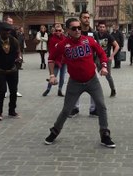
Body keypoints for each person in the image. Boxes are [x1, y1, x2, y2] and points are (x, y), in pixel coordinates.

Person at [44, 18, 116, 148]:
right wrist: (52, 75)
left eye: (79, 28)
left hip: (92, 80)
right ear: (67, 30)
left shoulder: (88, 40)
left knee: (101, 106)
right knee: (66, 110)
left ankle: (104, 134)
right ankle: (54, 131)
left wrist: (104, 66)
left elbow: (101, 53)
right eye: (74, 28)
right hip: (75, 82)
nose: (77, 30)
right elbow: (51, 59)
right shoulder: (63, 44)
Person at [69, 12, 99, 117]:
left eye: (88, 17)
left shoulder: (93, 33)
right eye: (84, 17)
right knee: (75, 86)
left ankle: (94, 109)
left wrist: (97, 62)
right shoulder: (75, 31)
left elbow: (98, 48)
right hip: (76, 64)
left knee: (94, 87)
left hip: (90, 63)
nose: (87, 19)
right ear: (80, 19)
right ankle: (74, 108)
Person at [96, 21, 119, 97]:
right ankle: (95, 91)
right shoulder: (95, 35)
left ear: (105, 28)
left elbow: (117, 46)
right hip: (97, 58)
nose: (102, 28)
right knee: (95, 75)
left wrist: (112, 56)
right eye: (100, 27)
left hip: (106, 58)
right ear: (98, 27)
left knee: (108, 76)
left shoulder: (108, 36)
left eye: (103, 27)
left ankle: (113, 90)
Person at [42, 23, 67, 97]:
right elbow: (51, 51)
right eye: (57, 30)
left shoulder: (65, 38)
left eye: (59, 30)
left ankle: (60, 90)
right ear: (54, 31)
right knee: (53, 76)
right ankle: (48, 89)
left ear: (62, 30)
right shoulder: (52, 39)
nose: (58, 32)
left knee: (62, 77)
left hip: (64, 60)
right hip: (56, 60)